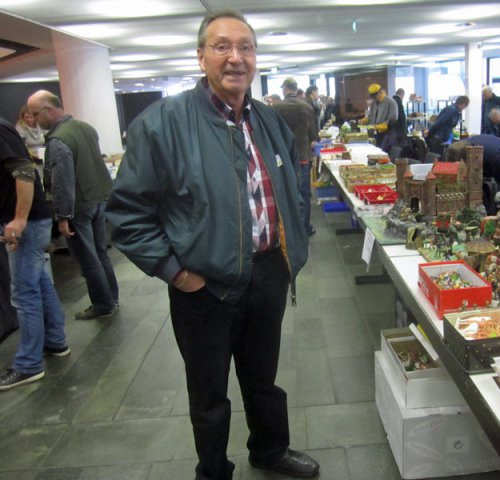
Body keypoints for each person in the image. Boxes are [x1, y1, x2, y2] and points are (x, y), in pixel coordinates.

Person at [106, 9, 317, 480]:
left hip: (267, 273)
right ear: (201, 57)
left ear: (256, 58)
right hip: (203, 285)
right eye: (222, 47)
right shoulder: (163, 124)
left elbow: (291, 191)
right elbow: (126, 213)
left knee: (263, 378)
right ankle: (214, 470)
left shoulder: (268, 120)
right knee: (208, 391)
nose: (235, 58)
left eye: (246, 47)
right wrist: (176, 273)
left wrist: (290, 252)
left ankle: (270, 450)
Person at [26, 90, 119, 320]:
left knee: (88, 259)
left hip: (79, 207)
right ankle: (111, 298)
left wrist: (62, 217)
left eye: (35, 114)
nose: (34, 120)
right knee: (100, 253)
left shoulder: (59, 141)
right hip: (98, 200)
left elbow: (62, 182)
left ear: (48, 109)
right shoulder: (86, 128)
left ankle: (103, 304)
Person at [0, 117, 68, 391]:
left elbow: (25, 172)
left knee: (23, 292)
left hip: (26, 222)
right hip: (26, 220)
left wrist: (19, 219)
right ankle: (55, 341)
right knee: (39, 282)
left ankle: (29, 365)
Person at [272, 77, 318, 236]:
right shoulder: (307, 107)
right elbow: (313, 134)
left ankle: (288, 229)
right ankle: (304, 228)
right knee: (304, 193)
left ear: (285, 89)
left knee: (285, 193)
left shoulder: (275, 108)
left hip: (282, 158)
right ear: (296, 88)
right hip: (303, 156)